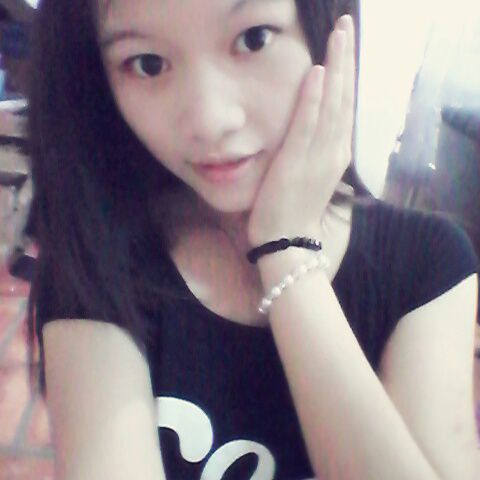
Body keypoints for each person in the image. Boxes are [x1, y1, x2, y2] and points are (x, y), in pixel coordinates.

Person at [24, 0, 479, 479]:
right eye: (148, 64)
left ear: (329, 29)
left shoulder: (429, 264)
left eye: (254, 39)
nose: (210, 121)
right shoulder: (99, 257)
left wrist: (288, 252)